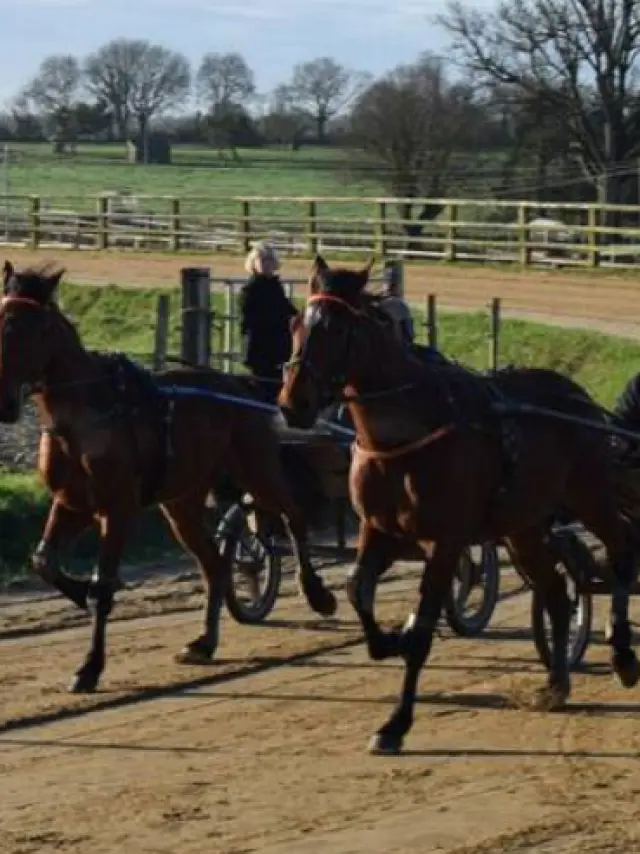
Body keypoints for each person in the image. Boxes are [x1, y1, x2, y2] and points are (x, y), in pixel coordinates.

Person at [239, 241, 297, 403]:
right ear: (254, 264)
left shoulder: (275, 286)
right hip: (261, 347)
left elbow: (286, 308)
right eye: (262, 260)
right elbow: (249, 321)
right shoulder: (251, 289)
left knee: (278, 384)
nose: (266, 264)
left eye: (269, 260)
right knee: (262, 387)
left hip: (279, 346)